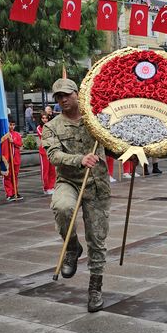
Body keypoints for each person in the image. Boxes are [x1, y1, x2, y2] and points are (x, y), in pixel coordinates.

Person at [43, 78, 111, 312]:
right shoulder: (52, 126)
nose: (62, 100)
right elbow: (54, 156)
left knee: (97, 239)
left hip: (97, 185)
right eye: (58, 97)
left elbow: (115, 142)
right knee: (62, 208)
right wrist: (79, 160)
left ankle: (95, 288)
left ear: (77, 94)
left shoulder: (97, 120)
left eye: (66, 95)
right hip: (69, 181)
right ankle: (71, 247)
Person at [3, 122, 24, 201]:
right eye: (10, 124)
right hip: (8, 159)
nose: (11, 126)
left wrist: (13, 142)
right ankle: (9, 193)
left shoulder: (17, 134)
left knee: (15, 176)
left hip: (16, 159)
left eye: (13, 125)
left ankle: (15, 191)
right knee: (8, 176)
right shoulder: (5, 135)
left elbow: (20, 143)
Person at [37, 113, 57, 195]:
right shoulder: (39, 127)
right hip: (44, 151)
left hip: (51, 150)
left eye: (46, 118)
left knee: (52, 170)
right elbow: (44, 135)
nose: (45, 120)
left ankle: (52, 186)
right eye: (43, 118)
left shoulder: (51, 126)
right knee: (45, 170)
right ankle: (46, 187)